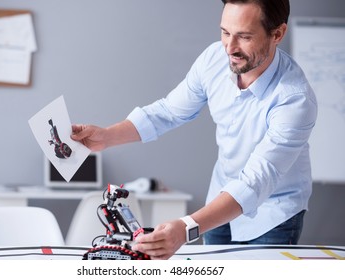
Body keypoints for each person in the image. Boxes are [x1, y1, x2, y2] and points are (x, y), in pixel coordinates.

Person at [71, 0, 317, 260]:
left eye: (244, 37)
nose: (230, 48)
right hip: (219, 200)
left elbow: (256, 181)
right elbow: (169, 111)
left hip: (272, 215)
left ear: (277, 33)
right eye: (225, 32)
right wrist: (106, 137)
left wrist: (186, 228)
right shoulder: (214, 59)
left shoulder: (295, 99)